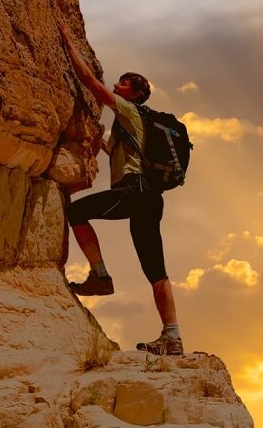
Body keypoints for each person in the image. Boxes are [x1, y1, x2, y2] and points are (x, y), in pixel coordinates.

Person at [57, 22, 183, 356]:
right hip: (149, 199)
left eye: (124, 83)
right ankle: (172, 336)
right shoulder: (133, 126)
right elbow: (111, 146)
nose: (117, 84)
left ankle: (100, 276)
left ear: (136, 93)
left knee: (76, 211)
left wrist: (67, 43)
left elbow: (90, 82)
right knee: (156, 271)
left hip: (134, 193)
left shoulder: (130, 110)